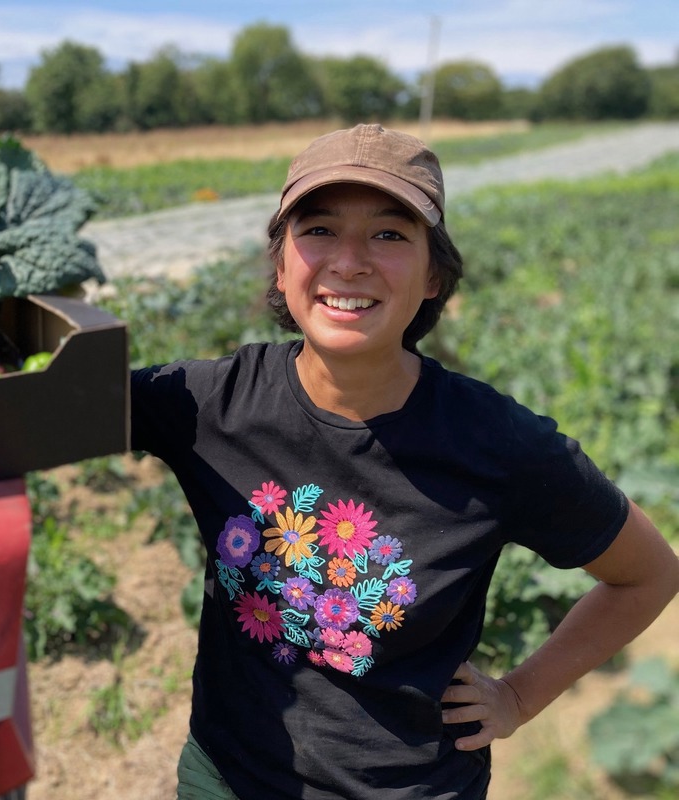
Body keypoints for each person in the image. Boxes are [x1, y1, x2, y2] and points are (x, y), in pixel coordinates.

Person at [128, 123, 679, 799]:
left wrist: (517, 698)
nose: (349, 261)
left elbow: (648, 576)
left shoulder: (494, 443)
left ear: (433, 276)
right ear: (281, 263)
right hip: (229, 778)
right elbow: (33, 400)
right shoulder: (212, 403)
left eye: (390, 234)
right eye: (320, 230)